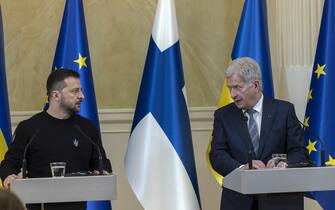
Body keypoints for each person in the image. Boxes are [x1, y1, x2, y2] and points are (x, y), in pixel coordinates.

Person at [0, 69, 112, 210]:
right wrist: (9, 176)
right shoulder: (29, 128)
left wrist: (102, 171)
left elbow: (102, 162)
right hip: (39, 206)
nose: (82, 96)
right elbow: (9, 163)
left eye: (81, 91)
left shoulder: (86, 128)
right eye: (75, 91)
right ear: (56, 95)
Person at [209, 57, 308, 210]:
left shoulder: (284, 111)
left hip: (279, 199)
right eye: (230, 88)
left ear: (255, 85)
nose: (232, 94)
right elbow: (217, 154)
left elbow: (299, 152)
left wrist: (285, 163)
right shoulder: (223, 115)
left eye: (237, 87)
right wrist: (242, 167)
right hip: (238, 201)